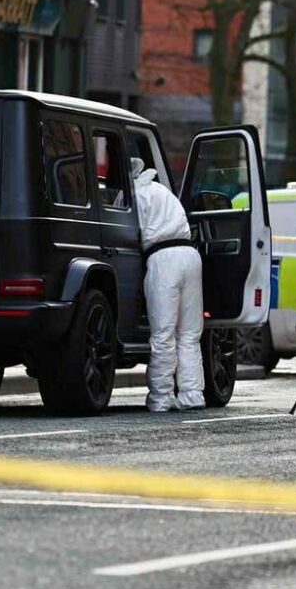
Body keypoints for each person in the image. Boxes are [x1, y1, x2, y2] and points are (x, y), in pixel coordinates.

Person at [131, 157, 205, 412]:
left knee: (163, 334)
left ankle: (161, 398)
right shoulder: (161, 190)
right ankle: (192, 395)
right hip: (190, 255)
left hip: (163, 258)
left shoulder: (136, 196)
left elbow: (132, 233)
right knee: (189, 333)